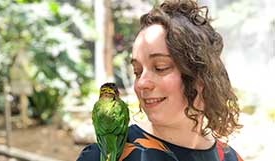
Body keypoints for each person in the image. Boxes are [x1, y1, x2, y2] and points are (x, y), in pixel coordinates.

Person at [76, 0, 243, 161]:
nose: (141, 83)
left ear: (201, 74)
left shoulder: (231, 158)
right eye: (137, 71)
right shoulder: (105, 156)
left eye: (160, 67)